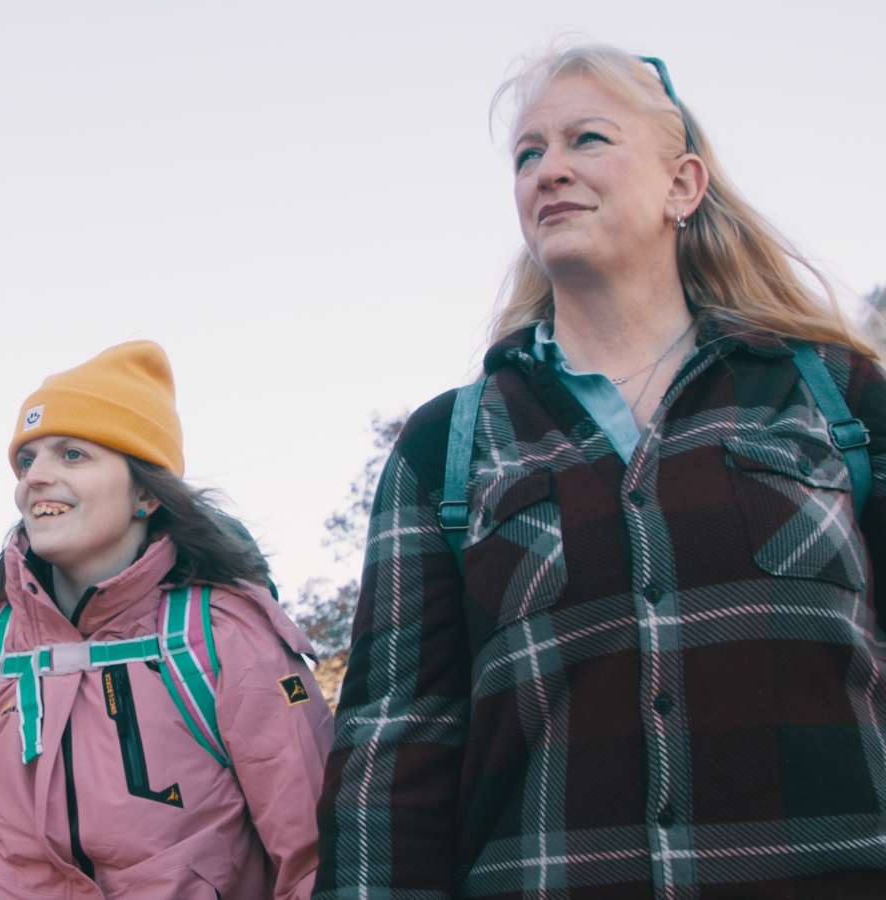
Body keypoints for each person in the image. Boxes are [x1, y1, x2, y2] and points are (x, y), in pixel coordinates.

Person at [316, 43, 886, 899]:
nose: (549, 171)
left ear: (681, 186)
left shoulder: (837, 396)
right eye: (527, 154)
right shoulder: (445, 446)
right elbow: (394, 748)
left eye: (587, 139)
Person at [0, 341, 333, 899]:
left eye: (72, 455)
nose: (34, 477)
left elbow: (316, 854)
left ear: (145, 493)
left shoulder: (225, 636)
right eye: (28, 459)